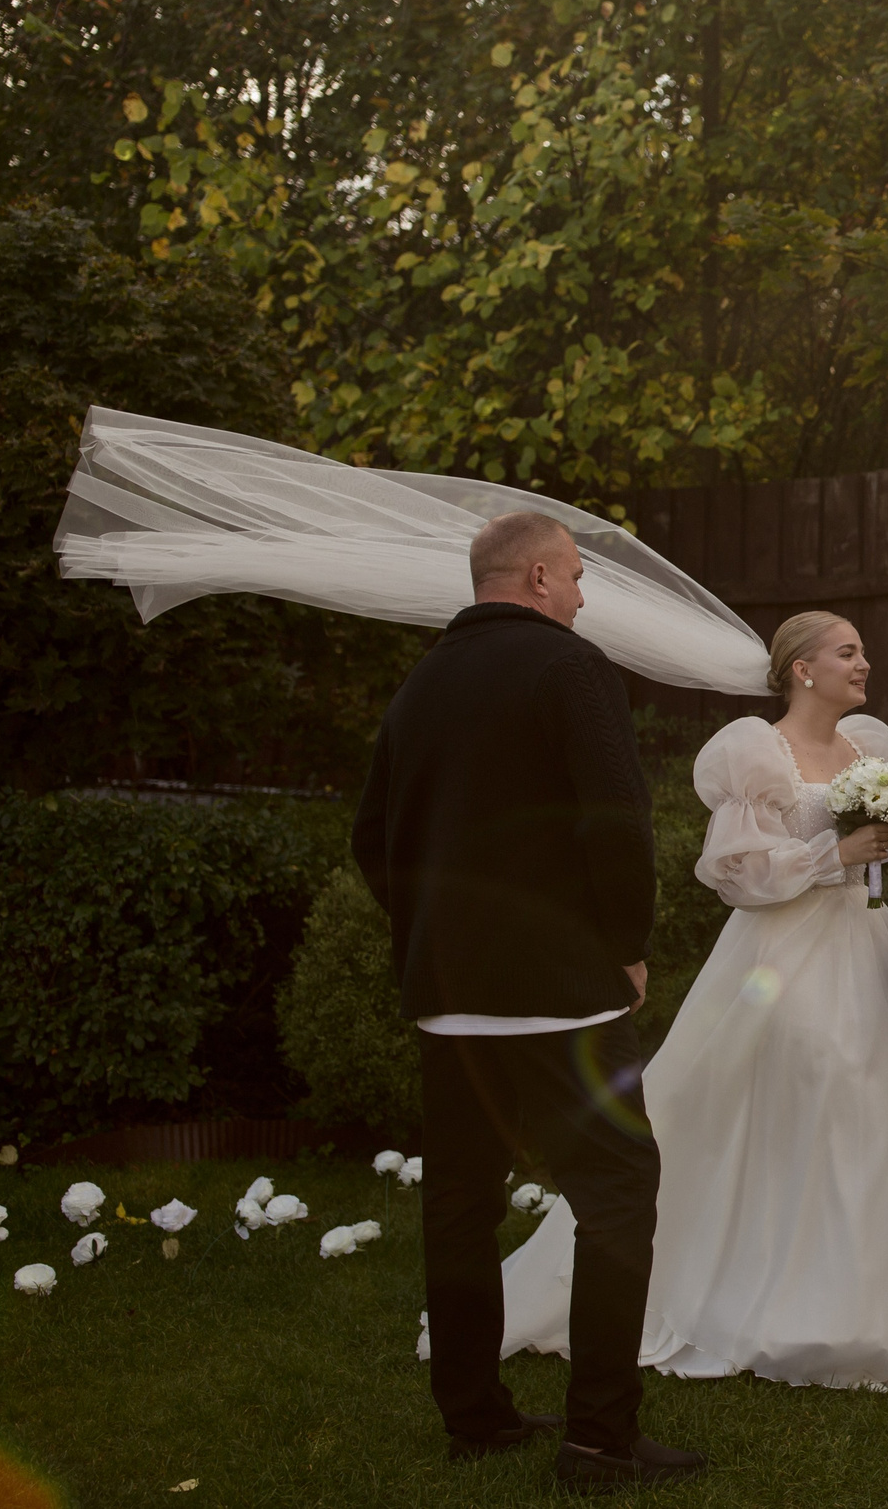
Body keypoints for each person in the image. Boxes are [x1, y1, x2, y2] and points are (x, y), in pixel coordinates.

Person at [496, 611, 888, 1391]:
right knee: (812, 1096)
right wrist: (834, 853)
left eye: (863, 650)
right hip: (780, 958)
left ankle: (864, 1310)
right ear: (802, 668)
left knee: (872, 1111)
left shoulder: (869, 748)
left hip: (863, 950)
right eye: (847, 651)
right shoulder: (758, 754)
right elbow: (739, 871)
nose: (863, 662)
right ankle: (772, 1292)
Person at [351, 511, 706, 1494]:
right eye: (578, 575)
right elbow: (616, 821)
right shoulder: (570, 668)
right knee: (618, 1193)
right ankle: (598, 1441)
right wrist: (624, 947)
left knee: (461, 1204)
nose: (585, 596)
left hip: (448, 999)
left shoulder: (422, 682)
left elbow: (371, 837)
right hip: (561, 998)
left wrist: (438, 934)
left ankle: (475, 1416)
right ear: (540, 577)